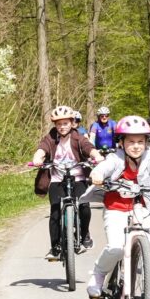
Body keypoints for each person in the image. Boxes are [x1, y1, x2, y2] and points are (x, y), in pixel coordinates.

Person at [81, 115, 150, 299]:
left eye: (141, 141)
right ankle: (98, 274)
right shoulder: (116, 158)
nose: (136, 146)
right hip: (116, 208)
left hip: (142, 206)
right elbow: (105, 167)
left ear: (147, 142)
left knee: (149, 242)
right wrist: (97, 174)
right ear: (121, 142)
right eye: (131, 141)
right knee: (116, 247)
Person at [31, 106, 104, 260]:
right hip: (58, 179)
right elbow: (42, 148)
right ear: (55, 125)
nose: (62, 127)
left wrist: (96, 156)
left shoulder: (78, 136)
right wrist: (38, 158)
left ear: (72, 123)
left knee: (84, 206)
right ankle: (55, 247)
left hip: (78, 177)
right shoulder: (51, 137)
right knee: (55, 212)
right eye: (59, 124)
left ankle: (84, 234)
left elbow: (88, 147)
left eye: (65, 123)